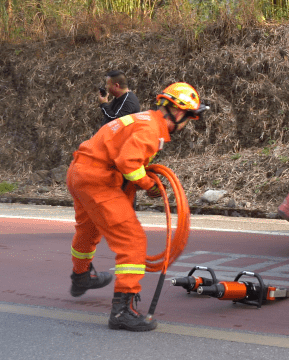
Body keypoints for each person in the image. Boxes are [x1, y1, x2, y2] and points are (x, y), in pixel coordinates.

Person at [67, 82, 208, 331]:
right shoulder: (151, 129)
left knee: (88, 230)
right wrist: (149, 185)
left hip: (80, 172)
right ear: (177, 112)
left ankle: (81, 276)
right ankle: (123, 310)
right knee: (132, 241)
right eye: (188, 118)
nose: (187, 125)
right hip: (99, 180)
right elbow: (129, 163)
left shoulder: (142, 119)